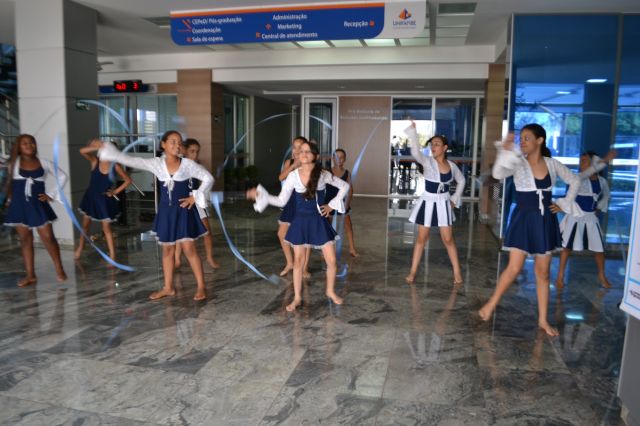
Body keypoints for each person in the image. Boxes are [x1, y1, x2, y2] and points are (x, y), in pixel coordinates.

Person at [478, 124, 600, 336]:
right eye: (521, 138)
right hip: (524, 219)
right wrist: (504, 152)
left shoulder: (552, 164)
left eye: (527, 138)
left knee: (542, 273)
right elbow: (497, 173)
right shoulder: (518, 162)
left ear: (540, 140)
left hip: (544, 221)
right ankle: (490, 305)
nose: (522, 142)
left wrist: (563, 203)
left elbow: (575, 180)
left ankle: (543, 320)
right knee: (514, 268)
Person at [92, 130, 213, 301]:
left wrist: (195, 196)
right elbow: (130, 160)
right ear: (163, 144)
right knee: (167, 251)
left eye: (179, 142)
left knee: (189, 249)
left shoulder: (187, 165)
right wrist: (108, 148)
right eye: (172, 141)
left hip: (183, 212)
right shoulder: (157, 164)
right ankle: (168, 288)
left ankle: (201, 286)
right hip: (166, 213)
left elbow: (208, 178)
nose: (177, 145)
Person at [246, 141, 349, 311]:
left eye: (308, 151)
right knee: (298, 262)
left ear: (315, 155)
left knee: (331, 260)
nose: (304, 154)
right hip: (300, 222)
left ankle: (330, 291)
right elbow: (281, 200)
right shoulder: (293, 176)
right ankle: (297, 298)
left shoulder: (323, 174)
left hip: (318, 221)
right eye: (301, 151)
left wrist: (331, 205)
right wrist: (260, 195)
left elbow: (344, 186)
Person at [404, 122, 465, 285]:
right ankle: (413, 271)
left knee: (448, 239)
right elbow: (415, 152)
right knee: (421, 238)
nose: (433, 147)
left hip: (444, 202)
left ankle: (457, 271)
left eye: (437, 144)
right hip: (427, 202)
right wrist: (413, 132)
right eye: (432, 144)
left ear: (445, 148)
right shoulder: (427, 161)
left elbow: (461, 180)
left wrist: (454, 199)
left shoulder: (452, 166)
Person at [4, 134, 67, 286]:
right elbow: (10, 184)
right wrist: (9, 200)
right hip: (19, 206)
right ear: (19, 147)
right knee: (25, 240)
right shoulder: (13, 163)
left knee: (48, 237)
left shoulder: (44, 163)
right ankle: (31, 275)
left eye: (32, 142)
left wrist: (51, 195)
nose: (29, 145)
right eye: (25, 143)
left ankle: (59, 269)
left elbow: (62, 176)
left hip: (38, 205)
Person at [556, 150, 616, 289]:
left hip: (590, 217)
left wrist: (598, 208)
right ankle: (560, 276)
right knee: (566, 247)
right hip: (575, 216)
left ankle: (602, 276)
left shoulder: (602, 182)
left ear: (593, 163)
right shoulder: (578, 178)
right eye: (580, 161)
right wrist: (605, 159)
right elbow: (569, 196)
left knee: (599, 249)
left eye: (584, 161)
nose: (581, 164)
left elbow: (606, 195)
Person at [75, 141, 132, 261]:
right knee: (85, 225)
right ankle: (80, 247)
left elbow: (128, 180)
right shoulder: (95, 162)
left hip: (104, 200)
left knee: (106, 229)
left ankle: (112, 255)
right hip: (91, 198)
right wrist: (97, 146)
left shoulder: (115, 166)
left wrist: (115, 192)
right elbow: (81, 151)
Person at [174, 138, 220, 270]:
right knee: (181, 233)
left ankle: (210, 258)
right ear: (184, 150)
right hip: (183, 202)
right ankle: (177, 259)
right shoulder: (177, 165)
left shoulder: (198, 167)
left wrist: (200, 196)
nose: (195, 155)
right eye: (192, 151)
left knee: (207, 231)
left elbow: (207, 182)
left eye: (197, 152)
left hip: (196, 200)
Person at [277, 136, 310, 277]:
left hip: (304, 202)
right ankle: (290, 263)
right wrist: (293, 166)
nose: (296, 150)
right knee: (281, 234)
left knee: (305, 237)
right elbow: (281, 177)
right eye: (294, 147)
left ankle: (304, 268)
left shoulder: (308, 162)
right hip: (290, 202)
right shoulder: (289, 162)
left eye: (299, 147)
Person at [326, 148, 359, 257]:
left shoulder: (347, 173)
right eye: (336, 157)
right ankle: (327, 249)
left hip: (342, 202)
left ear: (344, 159)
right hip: (329, 202)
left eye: (341, 158)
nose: (339, 160)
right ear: (332, 158)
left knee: (348, 225)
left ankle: (352, 248)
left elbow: (350, 190)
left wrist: (347, 204)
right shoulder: (327, 172)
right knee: (328, 226)